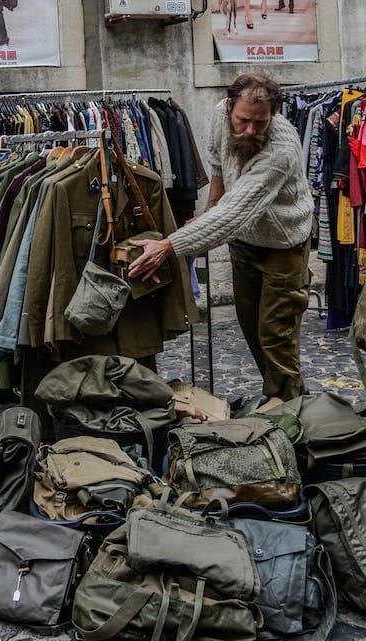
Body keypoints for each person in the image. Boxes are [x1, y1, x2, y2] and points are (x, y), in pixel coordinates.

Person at [126, 73, 314, 403]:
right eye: (243, 120)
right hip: (245, 243)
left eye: (261, 122)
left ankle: (287, 410)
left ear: (274, 114)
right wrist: (211, 204)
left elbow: (234, 214)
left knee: (276, 334)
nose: (251, 130)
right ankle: (286, 394)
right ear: (229, 107)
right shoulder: (219, 115)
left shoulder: (281, 149)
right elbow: (217, 161)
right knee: (252, 327)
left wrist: (169, 245)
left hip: (284, 247)